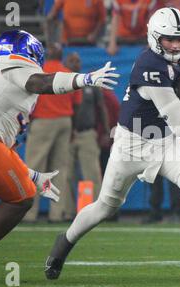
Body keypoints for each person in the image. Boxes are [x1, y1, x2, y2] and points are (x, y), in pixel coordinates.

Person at [44, 7, 180, 280]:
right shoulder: (151, 66)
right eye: (169, 39)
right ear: (154, 38)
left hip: (165, 142)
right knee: (105, 207)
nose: (175, 45)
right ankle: (62, 245)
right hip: (132, 143)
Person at [0, 30, 118, 286]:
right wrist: (84, 78)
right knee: (22, 197)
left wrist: (32, 174)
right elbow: (40, 83)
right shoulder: (14, 65)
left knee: (23, 187)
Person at [23, 43, 82, 223]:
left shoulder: (38, 71)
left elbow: (28, 100)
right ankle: (57, 213)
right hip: (65, 121)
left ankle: (29, 214)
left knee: (34, 168)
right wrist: (73, 127)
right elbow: (77, 104)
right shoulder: (68, 73)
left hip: (43, 121)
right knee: (60, 169)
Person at [62, 52, 110, 220]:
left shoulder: (90, 83)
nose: (75, 63)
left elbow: (101, 107)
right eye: (71, 61)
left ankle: (96, 212)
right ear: (65, 63)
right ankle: (67, 212)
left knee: (92, 175)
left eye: (78, 60)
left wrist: (105, 131)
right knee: (66, 175)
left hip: (87, 133)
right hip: (67, 135)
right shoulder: (61, 84)